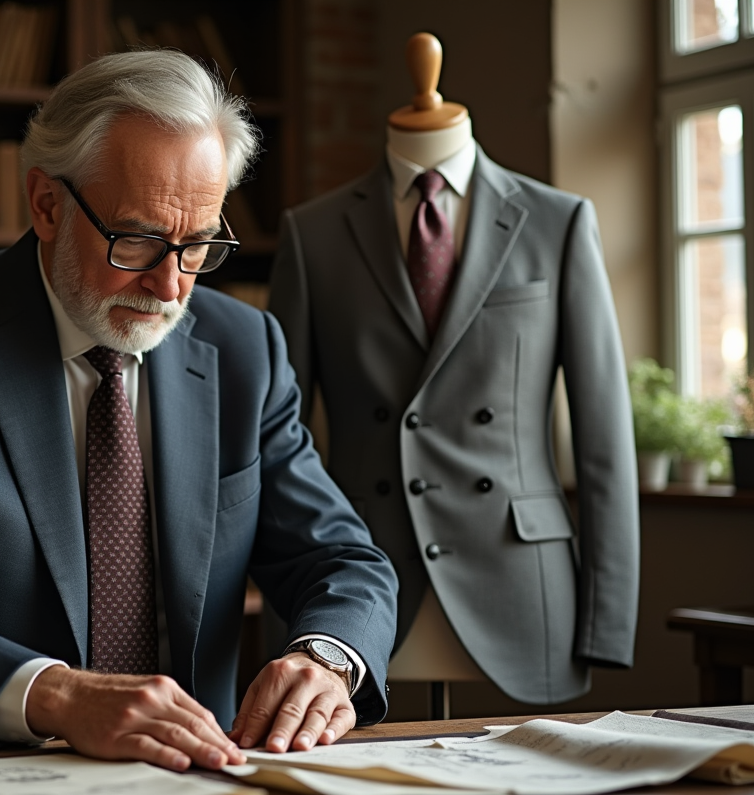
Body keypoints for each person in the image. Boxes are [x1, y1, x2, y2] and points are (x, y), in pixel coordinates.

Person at [0, 49, 398, 773]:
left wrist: (328, 658)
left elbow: (340, 558)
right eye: (137, 239)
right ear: (46, 204)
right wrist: (55, 695)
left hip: (194, 775)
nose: (171, 286)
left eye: (198, 244)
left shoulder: (244, 350)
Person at [267, 34, 638, 708]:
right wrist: (280, 606)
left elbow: (603, 437)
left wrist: (607, 620)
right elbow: (277, 438)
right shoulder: (312, 233)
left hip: (519, 575)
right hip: (364, 584)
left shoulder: (557, 222)